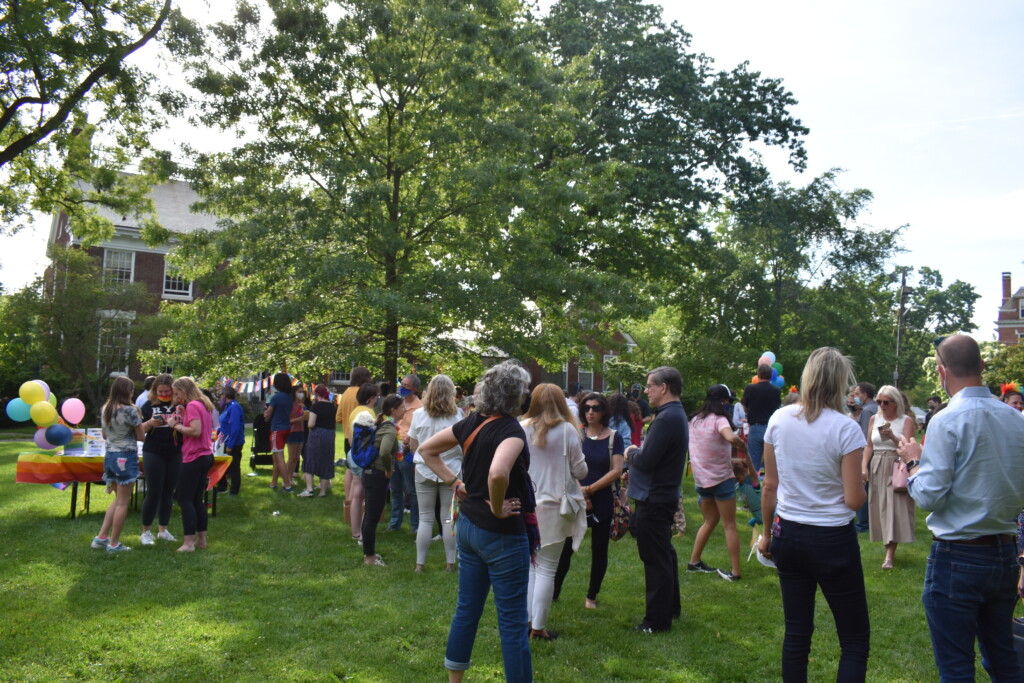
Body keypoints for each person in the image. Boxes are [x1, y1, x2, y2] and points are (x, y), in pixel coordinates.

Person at [897, 334, 1024, 681]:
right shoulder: (1017, 420)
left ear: (941, 371)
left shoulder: (945, 420)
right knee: (1004, 659)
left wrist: (913, 463)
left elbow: (928, 496)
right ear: (982, 367)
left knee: (956, 667)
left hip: (958, 554)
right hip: (1003, 551)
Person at [758, 347, 869, 681]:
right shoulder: (846, 429)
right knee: (853, 639)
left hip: (788, 535)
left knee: (796, 633)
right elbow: (853, 500)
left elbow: (769, 485)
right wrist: (863, 483)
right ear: (839, 382)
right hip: (832, 538)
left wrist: (766, 534)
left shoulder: (779, 419)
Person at [419, 360, 533, 683]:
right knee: (512, 623)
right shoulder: (512, 430)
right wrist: (496, 507)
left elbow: (427, 451)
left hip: (468, 528)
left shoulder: (471, 422)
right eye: (524, 389)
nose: (526, 394)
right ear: (513, 394)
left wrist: (456, 483)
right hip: (501, 535)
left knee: (466, 610)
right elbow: (498, 473)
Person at [623, 366, 687, 633]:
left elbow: (647, 461)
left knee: (655, 558)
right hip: (662, 494)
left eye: (650, 385)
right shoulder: (673, 415)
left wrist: (631, 452)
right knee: (664, 553)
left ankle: (656, 622)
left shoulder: (665, 418)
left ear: (664, 387)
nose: (646, 390)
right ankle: (670, 608)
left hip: (655, 497)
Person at [521, 383, 587, 640]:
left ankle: (527, 622)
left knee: (530, 568)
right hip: (555, 507)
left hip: (527, 505)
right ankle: (538, 627)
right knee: (547, 568)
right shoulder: (568, 429)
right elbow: (581, 471)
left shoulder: (521, 428)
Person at [553, 391, 623, 609]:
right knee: (564, 547)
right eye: (587, 408)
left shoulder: (614, 437)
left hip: (601, 499)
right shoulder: (574, 433)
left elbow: (617, 470)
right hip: (574, 496)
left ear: (604, 411)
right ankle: (553, 592)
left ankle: (591, 596)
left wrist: (590, 490)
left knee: (599, 549)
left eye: (596, 408)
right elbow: (563, 465)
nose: (591, 412)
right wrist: (579, 490)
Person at [687, 384, 748, 582]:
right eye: (729, 401)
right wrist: (741, 444)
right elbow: (730, 437)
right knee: (729, 525)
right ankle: (736, 572)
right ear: (724, 401)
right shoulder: (720, 420)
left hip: (702, 481)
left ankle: (694, 562)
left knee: (710, 521)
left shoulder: (695, 420)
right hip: (721, 480)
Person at [408, 374, 463, 572]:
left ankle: (419, 564)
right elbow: (462, 446)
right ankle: (450, 563)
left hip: (424, 469)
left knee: (425, 518)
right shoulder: (457, 416)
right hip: (451, 471)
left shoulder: (419, 415)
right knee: (448, 518)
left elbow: (413, 444)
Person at [860, 384, 916, 570]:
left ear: (895, 402)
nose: (882, 405)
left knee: (894, 508)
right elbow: (869, 445)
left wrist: (892, 436)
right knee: (880, 508)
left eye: (886, 402)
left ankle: (889, 555)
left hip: (896, 464)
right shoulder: (874, 419)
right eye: (879, 401)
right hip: (877, 464)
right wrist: (864, 467)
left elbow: (908, 446)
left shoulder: (905, 420)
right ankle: (887, 546)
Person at [91, 376, 144, 553]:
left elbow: (105, 435)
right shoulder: (131, 411)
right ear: (127, 391)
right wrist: (149, 424)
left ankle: (101, 537)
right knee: (123, 502)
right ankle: (114, 544)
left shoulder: (106, 408)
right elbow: (141, 436)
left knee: (118, 499)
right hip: (126, 456)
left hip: (110, 456)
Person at [166, 377, 215, 552]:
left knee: (185, 499)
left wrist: (175, 425)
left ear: (184, 390)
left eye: (178, 393)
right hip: (205, 455)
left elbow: (195, 431)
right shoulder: (203, 404)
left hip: (194, 457)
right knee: (196, 499)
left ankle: (188, 543)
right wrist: (184, 415)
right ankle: (201, 540)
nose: (177, 397)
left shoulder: (193, 405)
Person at [360, 394, 404, 566]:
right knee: (372, 516)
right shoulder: (390, 429)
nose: (405, 410)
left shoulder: (384, 424)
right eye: (402, 408)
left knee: (370, 515)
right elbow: (385, 451)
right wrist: (388, 469)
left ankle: (368, 552)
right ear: (393, 410)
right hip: (378, 474)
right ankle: (369, 557)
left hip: (370, 473)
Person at [138, 374, 181, 545]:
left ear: (173, 391)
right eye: (160, 391)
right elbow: (139, 430)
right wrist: (149, 424)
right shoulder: (148, 405)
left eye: (166, 391)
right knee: (153, 492)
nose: (163, 394)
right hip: (153, 451)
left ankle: (163, 529)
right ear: (154, 391)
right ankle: (146, 531)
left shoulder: (179, 405)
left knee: (168, 493)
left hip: (174, 451)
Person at [347, 382, 380, 543]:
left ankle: (355, 532)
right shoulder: (368, 413)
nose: (377, 400)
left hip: (352, 454)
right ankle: (363, 533)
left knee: (356, 495)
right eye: (376, 397)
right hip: (363, 456)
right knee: (363, 495)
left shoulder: (355, 411)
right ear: (370, 398)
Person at [389, 374, 422, 531]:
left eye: (406, 385)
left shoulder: (420, 407)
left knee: (411, 491)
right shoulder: (398, 403)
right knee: (395, 489)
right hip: (393, 450)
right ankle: (395, 523)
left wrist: (409, 442)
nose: (402, 387)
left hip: (408, 451)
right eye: (401, 383)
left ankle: (415, 525)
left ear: (414, 389)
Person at [741, 363, 781, 478]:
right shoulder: (776, 390)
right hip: (771, 429)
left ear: (758, 374)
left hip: (755, 428)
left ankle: (752, 491)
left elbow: (745, 406)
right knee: (771, 464)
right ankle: (769, 487)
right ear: (771, 375)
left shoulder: (750, 388)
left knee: (753, 464)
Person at [299, 385, 336, 497]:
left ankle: (309, 490)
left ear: (317, 395)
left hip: (317, 435)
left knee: (310, 459)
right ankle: (323, 491)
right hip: (330, 435)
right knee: (326, 460)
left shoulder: (316, 406)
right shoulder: (333, 406)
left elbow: (311, 424)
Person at [852, 381, 878, 533]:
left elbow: (865, 436)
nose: (855, 397)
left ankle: (863, 523)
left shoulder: (867, 411)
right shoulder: (876, 408)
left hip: (866, 454)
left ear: (865, 395)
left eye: (857, 393)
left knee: (863, 486)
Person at [264, 373, 295, 492]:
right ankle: (273, 483)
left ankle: (287, 485)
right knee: (276, 457)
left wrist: (265, 416)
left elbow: (268, 412)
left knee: (279, 457)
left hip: (277, 429)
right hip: (286, 428)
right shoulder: (289, 397)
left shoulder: (276, 397)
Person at [217, 386, 245, 495]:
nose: (220, 398)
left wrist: (230, 445)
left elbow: (235, 427)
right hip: (225, 440)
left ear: (225, 395)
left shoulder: (234, 407)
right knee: (222, 465)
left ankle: (234, 491)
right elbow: (225, 425)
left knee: (234, 467)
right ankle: (222, 487)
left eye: (221, 395)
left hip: (234, 442)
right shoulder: (227, 407)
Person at [286, 385, 307, 486]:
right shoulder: (290, 404)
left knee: (296, 457)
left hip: (301, 431)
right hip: (292, 432)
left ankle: (290, 478)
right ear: (294, 392)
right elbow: (286, 421)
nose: (301, 393)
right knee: (291, 457)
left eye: (302, 391)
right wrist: (298, 419)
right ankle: (286, 479)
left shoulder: (300, 404)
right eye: (299, 391)